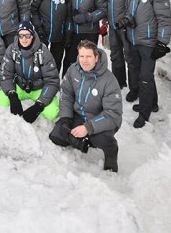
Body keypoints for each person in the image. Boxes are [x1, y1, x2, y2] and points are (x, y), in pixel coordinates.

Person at [49, 40, 122, 172]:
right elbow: (66, 94)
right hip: (80, 115)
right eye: (81, 56)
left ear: (96, 57)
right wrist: (66, 118)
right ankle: (80, 141)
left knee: (101, 139)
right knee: (56, 135)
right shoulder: (73, 70)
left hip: (100, 119)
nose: (84, 60)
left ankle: (110, 151)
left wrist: (88, 128)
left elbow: (112, 114)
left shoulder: (109, 80)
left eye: (88, 56)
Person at [120, 0, 171, 128]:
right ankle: (152, 104)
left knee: (145, 78)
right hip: (134, 40)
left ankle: (144, 113)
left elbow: (165, 20)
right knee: (143, 75)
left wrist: (162, 43)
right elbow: (131, 12)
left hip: (148, 44)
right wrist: (126, 20)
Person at [0, 22, 60, 122]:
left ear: (33, 36)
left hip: (38, 89)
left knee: (51, 113)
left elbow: (52, 80)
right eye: (21, 36)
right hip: (19, 86)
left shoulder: (43, 51)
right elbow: (5, 74)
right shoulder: (12, 50)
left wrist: (39, 105)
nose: (24, 39)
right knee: (0, 102)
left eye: (27, 35)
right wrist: (12, 95)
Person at [64, 0, 107, 73]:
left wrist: (87, 17)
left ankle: (90, 84)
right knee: (70, 59)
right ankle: (67, 83)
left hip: (90, 31)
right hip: (73, 31)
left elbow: (103, 9)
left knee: (89, 60)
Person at [31, 0, 72, 71]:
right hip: (43, 32)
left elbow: (68, 16)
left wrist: (67, 33)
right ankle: (40, 82)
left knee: (56, 61)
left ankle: (54, 84)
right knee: (40, 60)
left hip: (59, 33)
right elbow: (33, 10)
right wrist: (38, 27)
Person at [104, 0, 134, 89]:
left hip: (126, 24)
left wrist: (126, 19)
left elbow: (134, 2)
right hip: (112, 24)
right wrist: (105, 19)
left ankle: (134, 87)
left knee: (130, 56)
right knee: (115, 54)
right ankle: (119, 82)